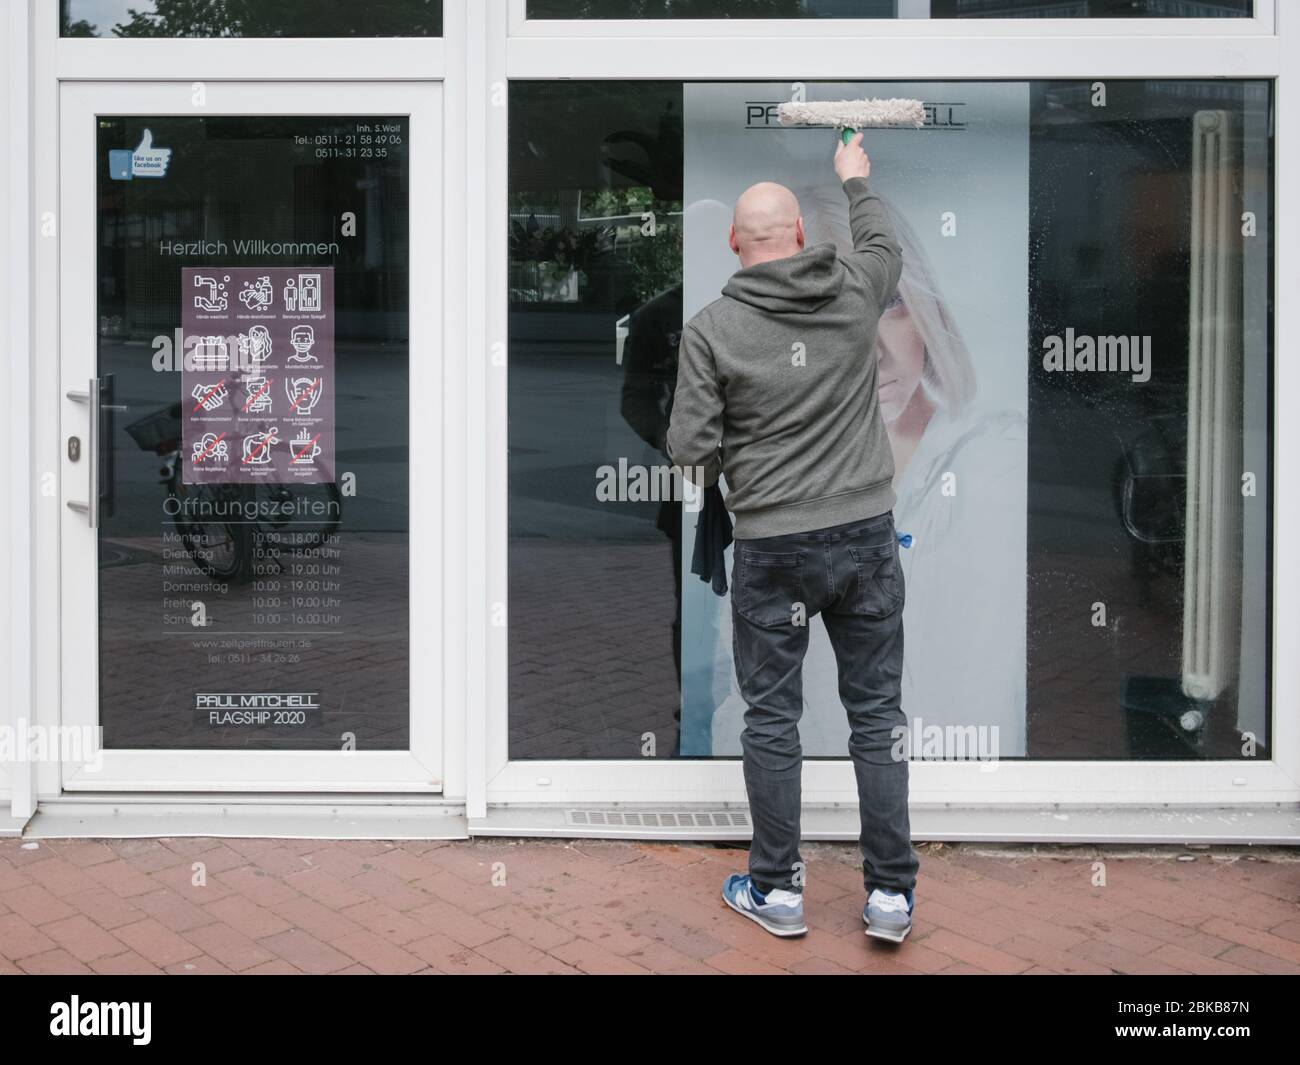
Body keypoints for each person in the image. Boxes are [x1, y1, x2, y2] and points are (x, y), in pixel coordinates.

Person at [667, 133, 918, 943]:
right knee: (876, 715)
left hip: (775, 547)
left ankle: (776, 889)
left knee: (772, 719)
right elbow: (884, 243)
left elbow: (690, 449)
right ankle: (889, 898)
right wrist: (855, 180)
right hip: (865, 534)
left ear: (735, 244)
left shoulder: (712, 329)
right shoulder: (852, 288)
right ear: (803, 238)